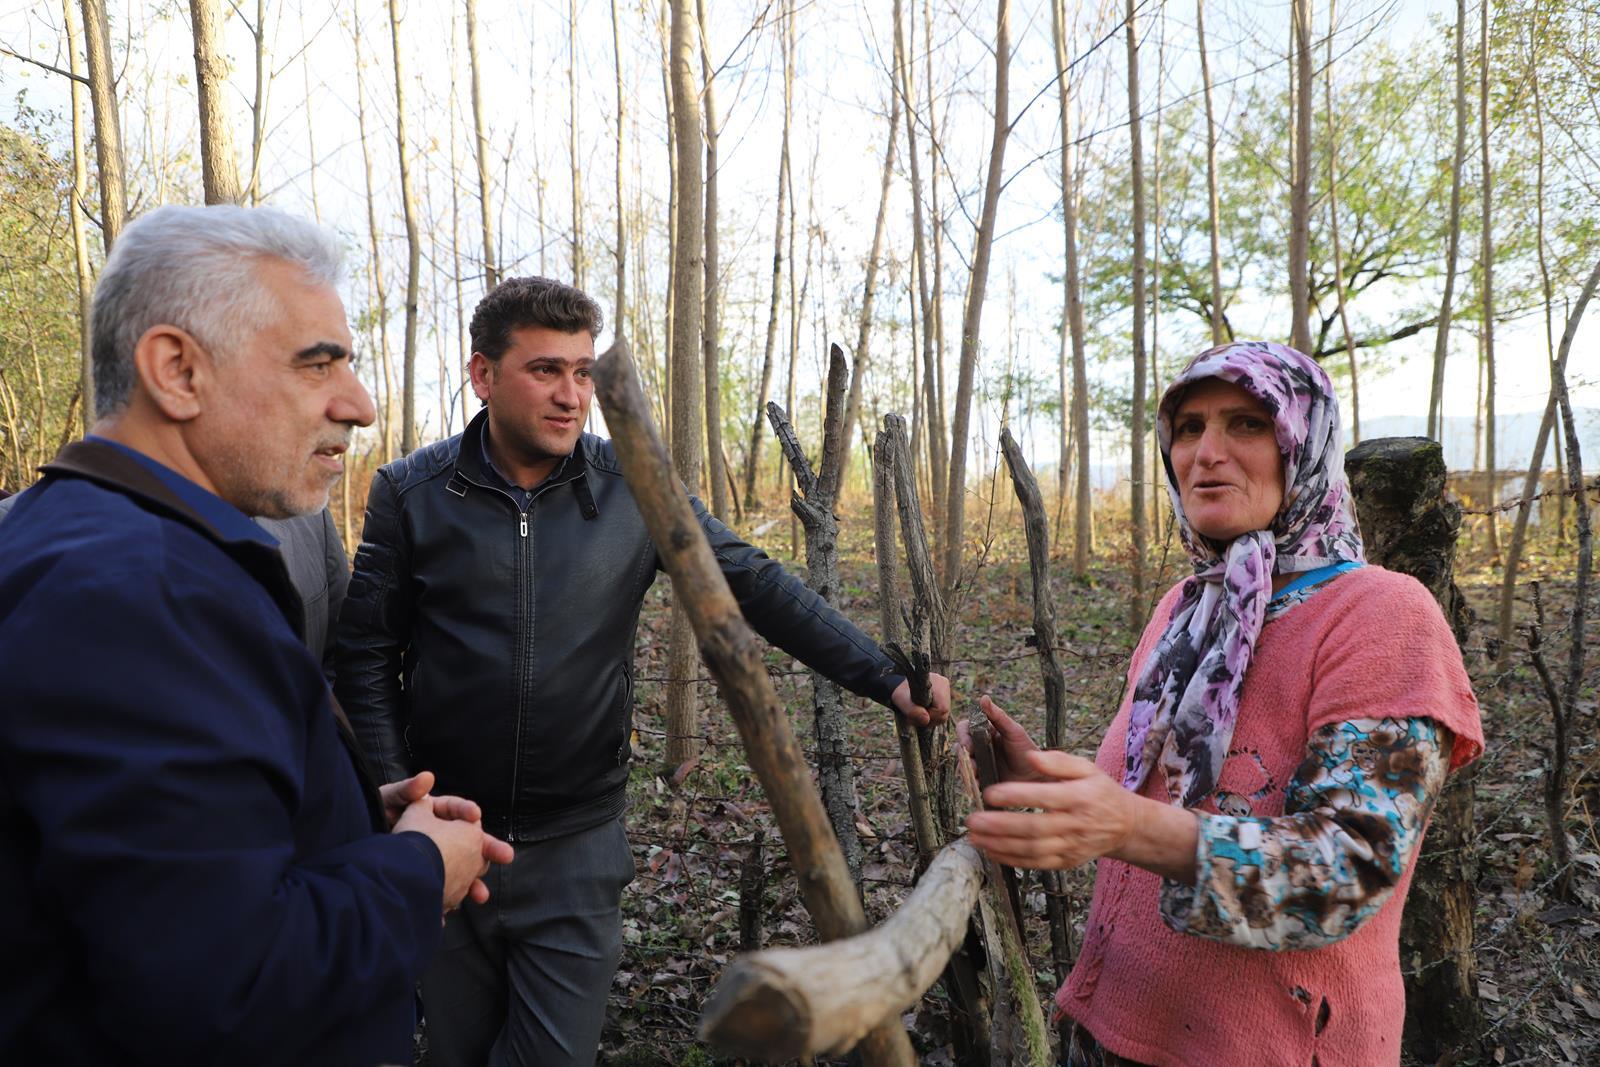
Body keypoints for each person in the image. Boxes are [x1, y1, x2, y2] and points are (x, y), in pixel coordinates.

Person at [333, 274, 952, 1067]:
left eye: (584, 371)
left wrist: (883, 676)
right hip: (451, 836)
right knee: (455, 1050)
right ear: (483, 376)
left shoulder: (632, 486)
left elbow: (751, 579)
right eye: (546, 370)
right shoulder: (411, 493)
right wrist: (400, 799)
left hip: (577, 847)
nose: (571, 395)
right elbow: (366, 654)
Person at [0, 204, 513, 1066]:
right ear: (177, 370)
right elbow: (220, 987)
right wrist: (418, 870)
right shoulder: (140, 594)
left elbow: (138, 863)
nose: (359, 404)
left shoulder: (79, 539)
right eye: (318, 364)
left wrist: (336, 810)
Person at [963, 340, 1483, 1067]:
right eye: (1188, 427)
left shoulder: (1383, 616)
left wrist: (1127, 825)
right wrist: (1047, 786)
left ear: (1303, 440)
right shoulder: (1189, 606)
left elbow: (1346, 867)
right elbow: (1147, 803)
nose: (1207, 452)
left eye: (1246, 423)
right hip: (1113, 1027)